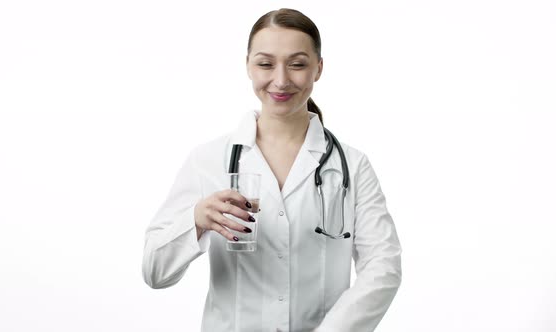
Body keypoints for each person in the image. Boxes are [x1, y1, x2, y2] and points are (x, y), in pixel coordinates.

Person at [142, 8, 402, 332]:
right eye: (265, 64)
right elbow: (154, 271)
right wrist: (195, 220)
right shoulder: (208, 161)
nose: (280, 80)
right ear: (248, 66)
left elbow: (384, 267)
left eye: (297, 64)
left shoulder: (352, 166)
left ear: (318, 68)